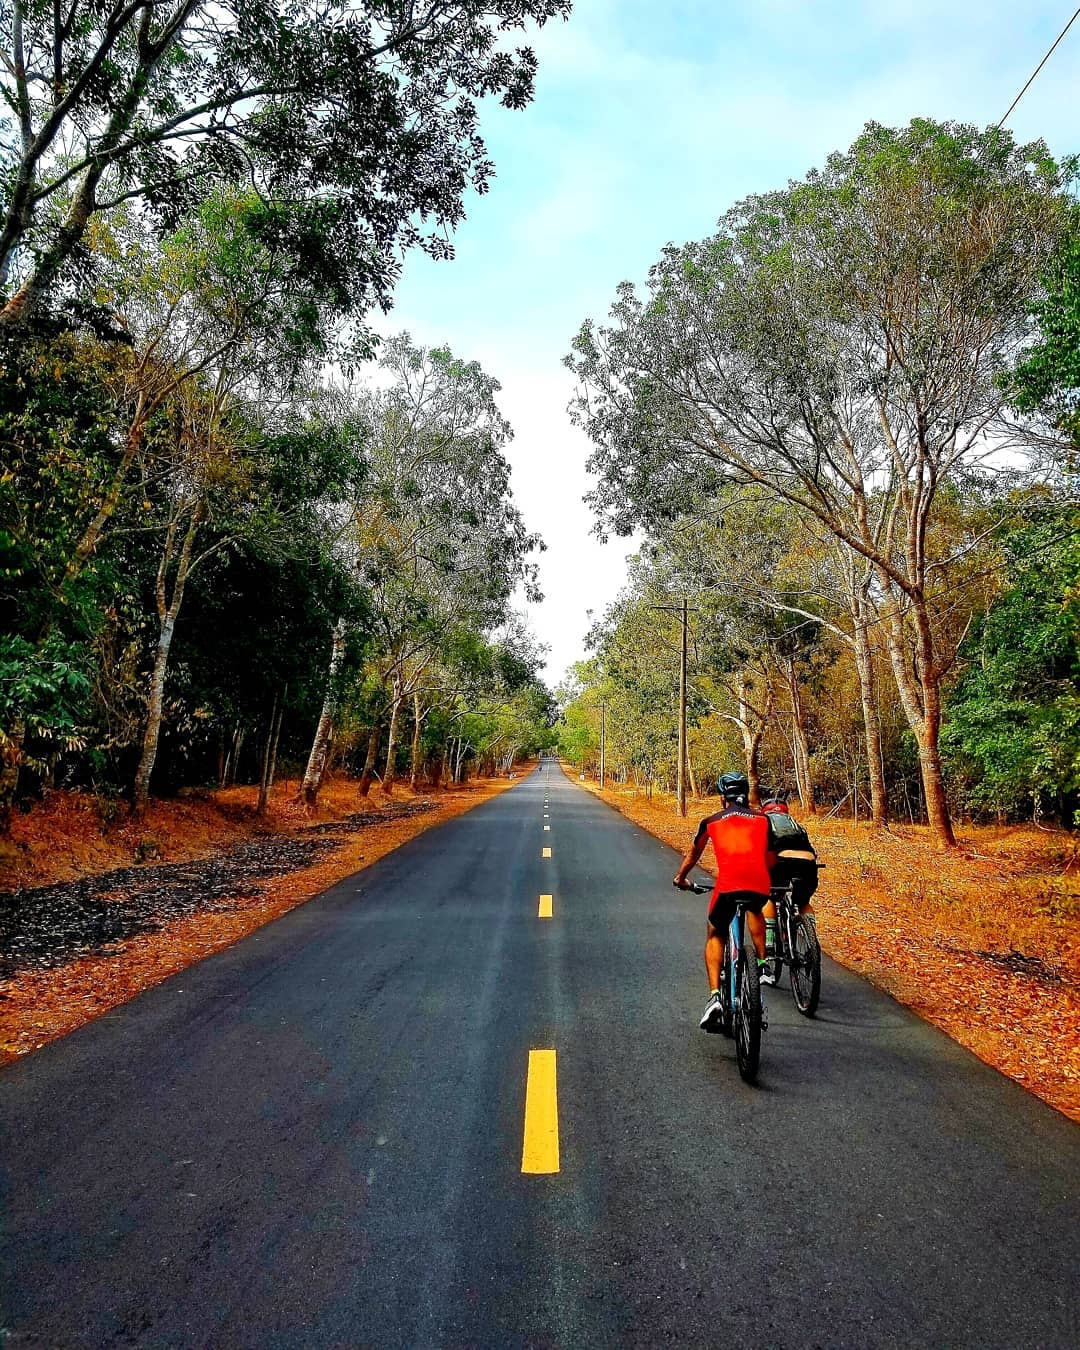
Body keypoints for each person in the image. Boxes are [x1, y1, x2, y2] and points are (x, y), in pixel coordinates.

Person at [673, 772, 775, 1032]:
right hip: (759, 884)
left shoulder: (711, 821)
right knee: (754, 907)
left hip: (728, 886)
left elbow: (693, 854)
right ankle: (763, 964)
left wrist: (681, 878)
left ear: (722, 798)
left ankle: (715, 997)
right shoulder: (764, 819)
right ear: (746, 794)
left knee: (715, 932)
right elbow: (771, 857)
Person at [759, 789, 819, 984]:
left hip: (781, 862)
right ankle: (811, 940)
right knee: (802, 902)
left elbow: (762, 852)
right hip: (808, 863)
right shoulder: (797, 825)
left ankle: (769, 944)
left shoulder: (764, 823)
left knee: (768, 895)